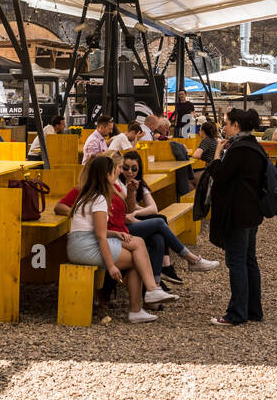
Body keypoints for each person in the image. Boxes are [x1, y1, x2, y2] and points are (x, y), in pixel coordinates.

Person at [61, 155, 178, 322]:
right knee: (137, 257)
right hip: (86, 247)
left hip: (79, 244)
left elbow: (96, 230)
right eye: (113, 171)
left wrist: (116, 234)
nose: (117, 174)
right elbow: (100, 236)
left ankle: (149, 294)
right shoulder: (100, 198)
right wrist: (111, 266)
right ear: (106, 175)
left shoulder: (88, 194)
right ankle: (145, 298)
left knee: (137, 245)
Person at [115, 150, 219, 287]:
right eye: (125, 168)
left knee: (158, 235)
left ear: (139, 169)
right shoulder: (118, 184)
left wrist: (135, 211)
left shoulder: (138, 184)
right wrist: (133, 204)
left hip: (129, 221)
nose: (129, 172)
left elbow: (149, 208)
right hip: (121, 227)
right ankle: (185, 260)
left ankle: (156, 284)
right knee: (159, 221)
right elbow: (128, 209)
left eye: (134, 168)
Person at [206, 107, 268, 326]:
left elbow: (220, 174)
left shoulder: (238, 149)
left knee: (237, 262)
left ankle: (237, 313)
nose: (223, 127)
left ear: (236, 126)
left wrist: (216, 155)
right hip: (252, 212)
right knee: (249, 260)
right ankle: (254, 310)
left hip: (237, 213)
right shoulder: (255, 146)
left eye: (226, 123)